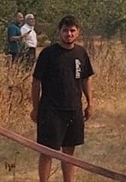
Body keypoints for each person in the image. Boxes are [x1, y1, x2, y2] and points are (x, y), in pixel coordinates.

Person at [32, 15, 95, 182]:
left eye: (72, 30)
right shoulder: (48, 54)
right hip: (51, 111)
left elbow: (86, 79)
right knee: (47, 151)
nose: (69, 34)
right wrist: (35, 108)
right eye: (65, 30)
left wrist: (90, 103)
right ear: (59, 32)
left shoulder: (81, 53)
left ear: (78, 32)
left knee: (69, 152)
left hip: (74, 109)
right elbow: (36, 81)